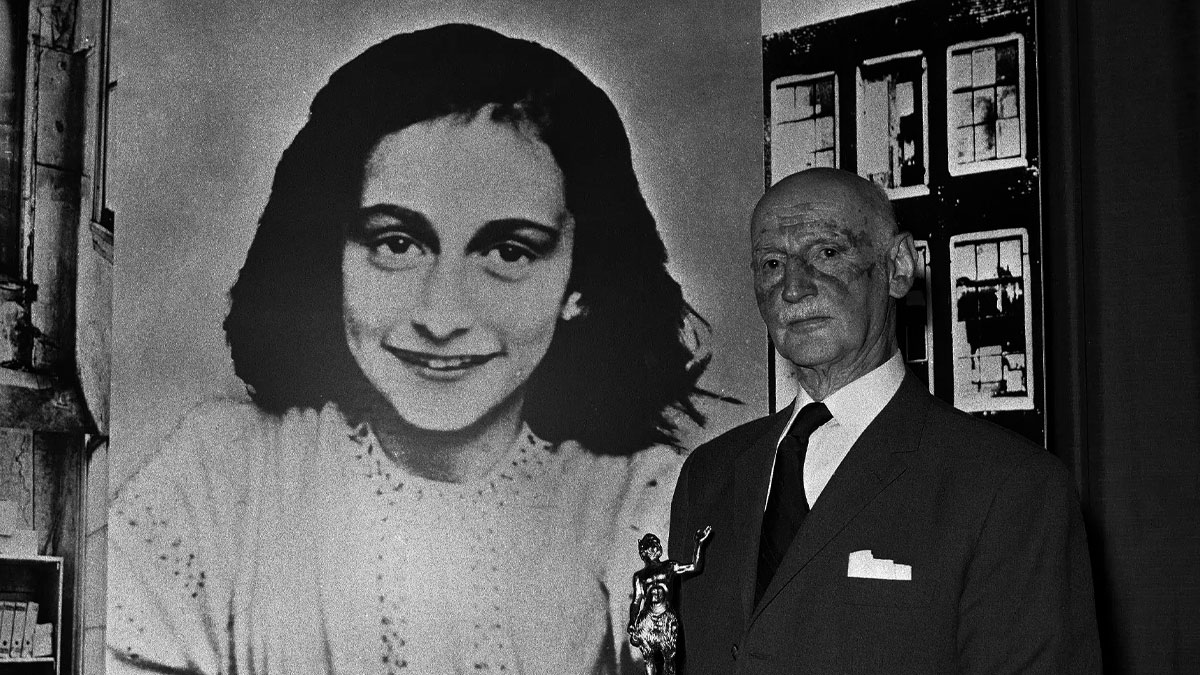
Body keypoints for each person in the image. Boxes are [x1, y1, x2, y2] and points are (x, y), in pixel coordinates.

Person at [109, 24, 714, 675]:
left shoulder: (643, 498)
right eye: (397, 242)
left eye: (508, 251)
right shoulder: (221, 476)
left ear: (580, 282)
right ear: (331, 258)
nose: (442, 315)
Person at [668, 168, 1101, 672]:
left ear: (898, 266)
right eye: (770, 263)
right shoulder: (709, 474)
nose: (793, 288)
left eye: (827, 253)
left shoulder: (1009, 488)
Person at [627, 527, 711, 675]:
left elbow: (695, 566)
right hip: (647, 619)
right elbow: (636, 602)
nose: (653, 548)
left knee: (669, 658)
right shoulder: (639, 576)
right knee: (648, 657)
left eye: (655, 544)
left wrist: (698, 544)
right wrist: (632, 621)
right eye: (649, 545)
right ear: (643, 552)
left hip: (667, 618)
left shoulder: (669, 566)